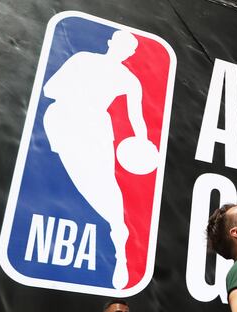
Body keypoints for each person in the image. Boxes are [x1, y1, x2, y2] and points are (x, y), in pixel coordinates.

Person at [42, 30, 151, 289]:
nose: (125, 50)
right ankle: (117, 230)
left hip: (97, 130)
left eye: (130, 48)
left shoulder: (129, 80)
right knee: (79, 182)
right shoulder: (82, 60)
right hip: (64, 121)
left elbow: (138, 120)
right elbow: (49, 89)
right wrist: (81, 96)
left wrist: (143, 144)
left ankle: (120, 243)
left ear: (131, 54)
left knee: (107, 186)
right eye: (122, 44)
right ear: (111, 43)